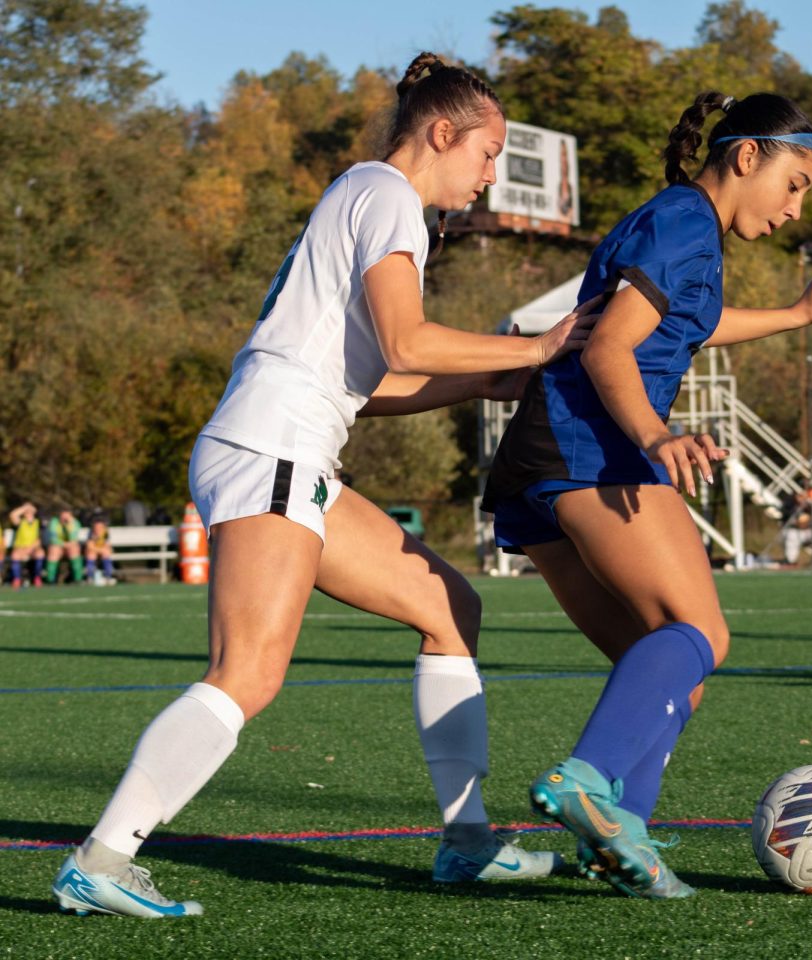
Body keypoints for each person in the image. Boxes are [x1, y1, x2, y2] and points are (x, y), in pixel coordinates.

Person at [52, 52, 595, 919]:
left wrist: (485, 381)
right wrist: (531, 349)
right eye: (487, 153)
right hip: (272, 450)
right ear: (441, 134)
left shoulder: (365, 195)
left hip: (288, 450)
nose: (492, 174)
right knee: (249, 673)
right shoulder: (389, 200)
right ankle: (103, 859)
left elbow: (367, 383)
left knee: (451, 606)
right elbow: (410, 341)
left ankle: (466, 846)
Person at [482, 90, 812, 899]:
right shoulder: (687, 221)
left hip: (541, 461)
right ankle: (590, 787)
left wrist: (797, 315)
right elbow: (613, 345)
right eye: (795, 183)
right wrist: (657, 436)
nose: (795, 209)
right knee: (702, 634)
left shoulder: (686, 226)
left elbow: (686, 323)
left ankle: (619, 833)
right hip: (595, 449)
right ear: (747, 155)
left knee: (659, 667)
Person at [8, 502, 45, 588]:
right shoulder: (20, 522)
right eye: (26, 511)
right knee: (15, 555)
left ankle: (37, 577)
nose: (28, 512)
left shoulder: (38, 522)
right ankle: (17, 579)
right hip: (20, 548)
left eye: (30, 510)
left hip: (33, 548)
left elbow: (39, 540)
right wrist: (24, 507)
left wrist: (30, 548)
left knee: (40, 554)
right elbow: (13, 515)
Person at [46, 507, 85, 585]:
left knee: (74, 550)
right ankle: (50, 580)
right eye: (63, 515)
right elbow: (53, 539)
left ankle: (78, 579)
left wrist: (69, 525)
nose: (64, 517)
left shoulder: (75, 523)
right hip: (58, 545)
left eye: (67, 515)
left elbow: (73, 538)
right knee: (53, 551)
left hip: (70, 546)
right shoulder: (54, 522)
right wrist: (63, 544)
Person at [84, 515, 117, 586]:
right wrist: (99, 550)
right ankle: (90, 577)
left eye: (100, 527)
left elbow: (107, 545)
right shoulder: (91, 533)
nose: (98, 529)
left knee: (106, 553)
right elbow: (89, 546)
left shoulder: (106, 532)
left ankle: (108, 576)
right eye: (96, 527)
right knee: (91, 555)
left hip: (101, 550)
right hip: (94, 550)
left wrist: (102, 550)